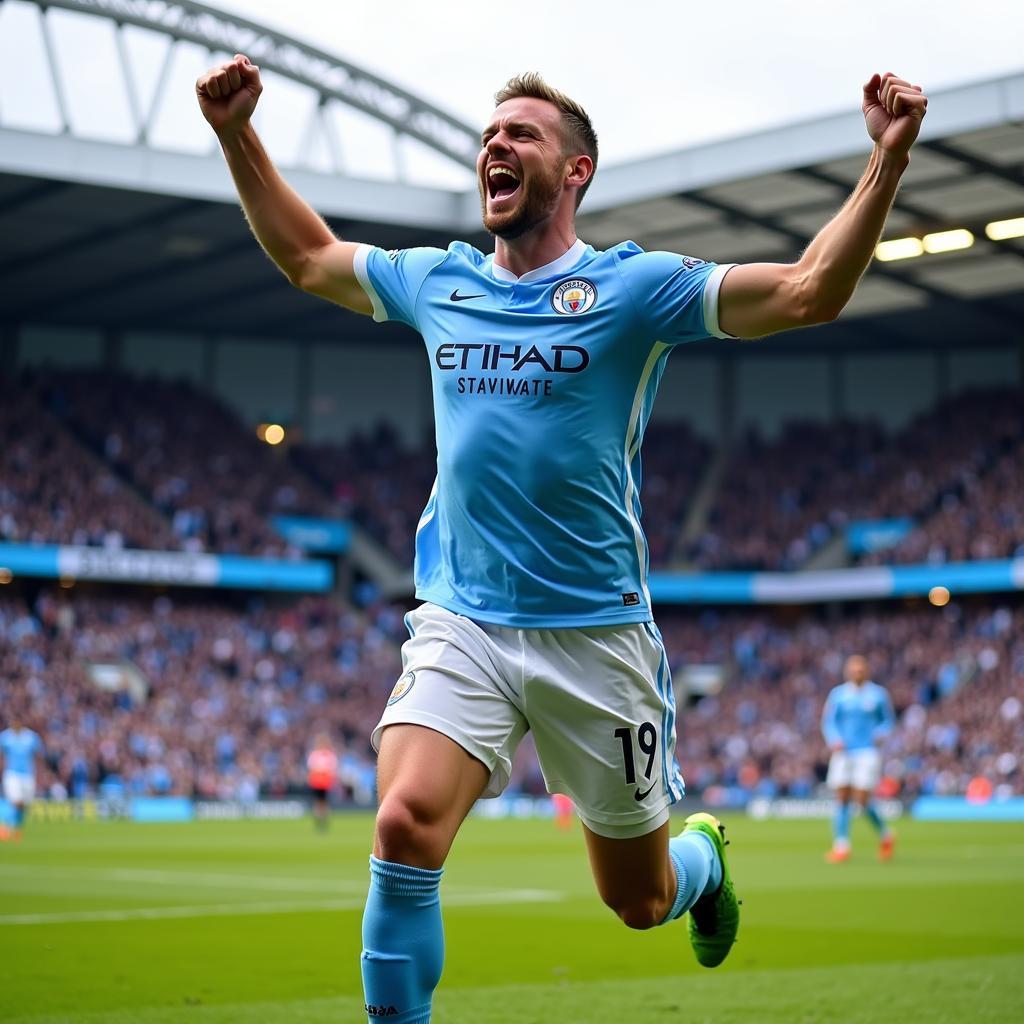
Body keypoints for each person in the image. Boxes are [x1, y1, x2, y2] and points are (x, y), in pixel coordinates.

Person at [196, 57, 927, 1022]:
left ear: (575, 171)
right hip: (464, 619)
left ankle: (700, 863)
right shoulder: (438, 282)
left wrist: (886, 158)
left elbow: (804, 292)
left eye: (521, 135)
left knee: (640, 899)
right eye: (489, 134)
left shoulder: (635, 290)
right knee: (404, 825)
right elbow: (308, 257)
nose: (495, 145)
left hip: (596, 636)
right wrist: (237, 133)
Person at [821, 654, 897, 863]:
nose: (857, 673)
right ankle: (841, 845)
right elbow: (829, 722)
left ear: (867, 671)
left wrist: (880, 734)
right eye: (853, 670)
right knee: (842, 797)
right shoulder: (838, 695)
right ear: (847, 672)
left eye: (860, 670)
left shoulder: (878, 695)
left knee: (862, 800)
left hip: (867, 752)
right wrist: (834, 739)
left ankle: (886, 834)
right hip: (843, 752)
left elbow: (888, 722)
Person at [0, 716, 43, 843]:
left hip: (28, 775)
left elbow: (39, 755)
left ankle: (17, 829)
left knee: (23, 804)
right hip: (12, 774)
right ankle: (5, 827)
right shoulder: (5, 737)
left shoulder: (31, 737)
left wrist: (40, 772)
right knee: (15, 801)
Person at [307, 733, 339, 831]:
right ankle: (321, 820)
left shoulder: (324, 754)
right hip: (318, 782)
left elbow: (331, 768)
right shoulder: (319, 754)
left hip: (323, 782)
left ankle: (322, 820)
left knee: (322, 802)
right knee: (320, 802)